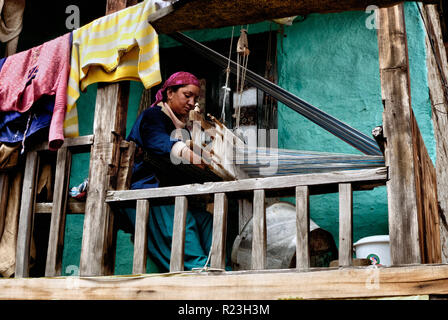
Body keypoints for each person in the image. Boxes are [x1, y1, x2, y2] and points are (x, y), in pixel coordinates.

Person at [122, 71, 214, 272]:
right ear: (170, 93)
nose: (191, 102)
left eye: (195, 98)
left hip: (168, 195)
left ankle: (217, 265)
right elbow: (161, 143)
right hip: (146, 191)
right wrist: (198, 159)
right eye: (187, 95)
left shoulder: (182, 129)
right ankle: (198, 269)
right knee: (184, 222)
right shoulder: (153, 116)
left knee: (206, 220)